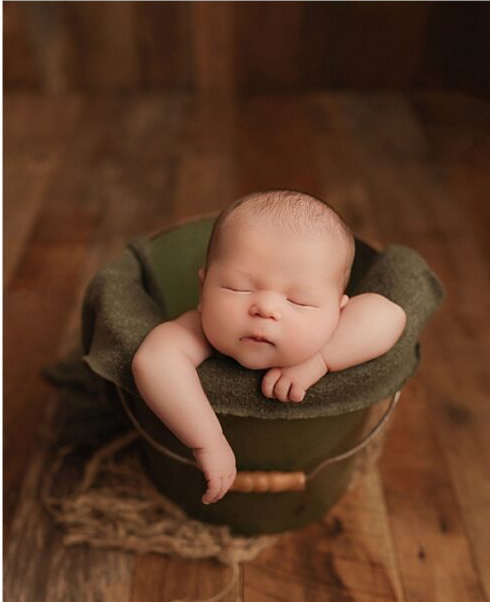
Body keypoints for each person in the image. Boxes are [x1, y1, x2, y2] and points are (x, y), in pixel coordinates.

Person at [132, 189, 406, 503]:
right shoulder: (195, 329)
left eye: (299, 301)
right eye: (238, 287)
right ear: (203, 287)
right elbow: (154, 360)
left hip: (309, 453)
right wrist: (208, 441)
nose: (266, 308)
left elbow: (390, 314)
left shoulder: (334, 331)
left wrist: (320, 359)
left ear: (339, 310)